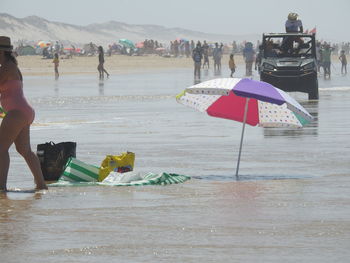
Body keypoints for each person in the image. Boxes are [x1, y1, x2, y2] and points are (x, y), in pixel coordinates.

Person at [0, 36, 47, 191]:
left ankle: (2, 187)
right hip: (23, 111)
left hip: (17, 112)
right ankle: (41, 185)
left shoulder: (7, 67)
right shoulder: (11, 65)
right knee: (24, 150)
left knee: (1, 148)